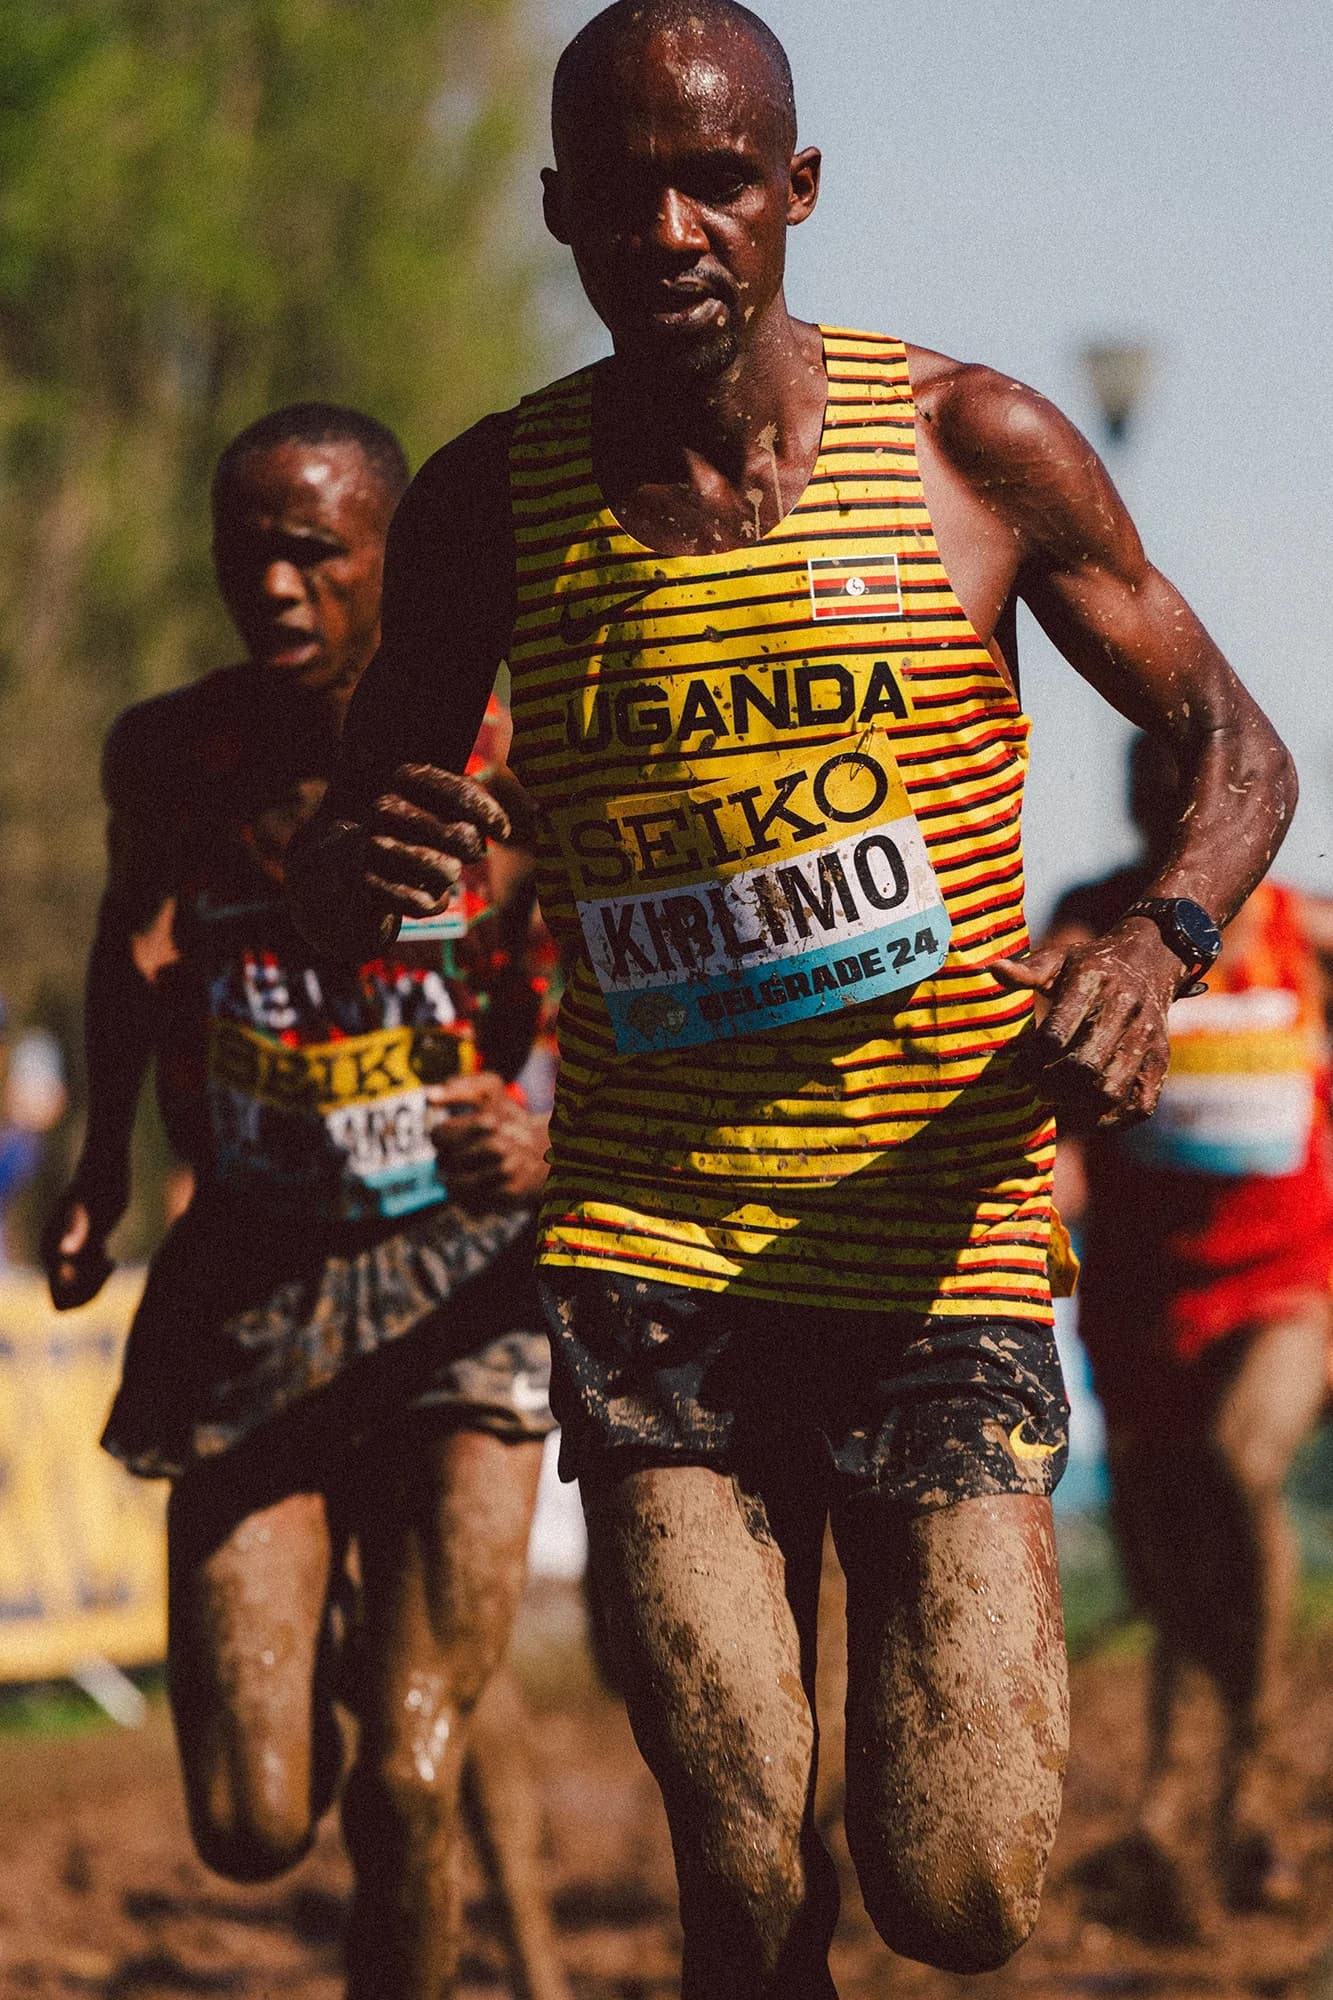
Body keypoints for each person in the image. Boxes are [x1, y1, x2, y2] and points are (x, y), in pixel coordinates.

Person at [285, 4, 1297, 1987]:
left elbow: (1233, 748)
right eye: (624, 191)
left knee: (962, 1891)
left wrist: (1150, 942)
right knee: (746, 1870)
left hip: (938, 1243)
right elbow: (352, 863)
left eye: (717, 182)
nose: (669, 229)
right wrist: (357, 873)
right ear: (557, 208)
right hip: (654, 1250)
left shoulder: (972, 449)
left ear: (797, 191)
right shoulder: (488, 505)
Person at [42, 405, 571, 2000]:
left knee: (405, 1775)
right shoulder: (172, 756)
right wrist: (100, 1165)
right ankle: (360, 1637)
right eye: (243, 555)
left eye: (310, 553)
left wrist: (552, 1143)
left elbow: (640, 975)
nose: (270, 586)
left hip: (462, 1283)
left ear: (395, 563)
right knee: (252, 1823)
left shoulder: (518, 752)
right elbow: (129, 945)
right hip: (253, 1273)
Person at [1044, 734, 1333, 1936]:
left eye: (1185, 788)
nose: (1164, 810)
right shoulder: (1095, 924)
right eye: (1147, 787)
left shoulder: (1303, 930)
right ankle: (1173, 1812)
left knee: (1236, 1463)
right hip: (1138, 1289)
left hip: (1288, 1279)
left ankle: (1251, 1776)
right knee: (1166, 1556)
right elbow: (1054, 1096)